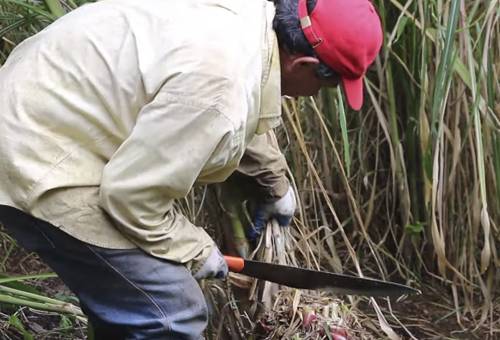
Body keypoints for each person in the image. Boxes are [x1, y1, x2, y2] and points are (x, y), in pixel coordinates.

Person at [0, 0, 382, 338]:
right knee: (169, 311)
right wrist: (198, 251)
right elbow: (132, 196)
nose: (316, 96)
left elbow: (235, 98)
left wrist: (275, 182)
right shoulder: (220, 87)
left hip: (40, 101)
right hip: (37, 154)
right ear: (304, 64)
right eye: (326, 86)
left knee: (133, 300)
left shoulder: (247, 18)